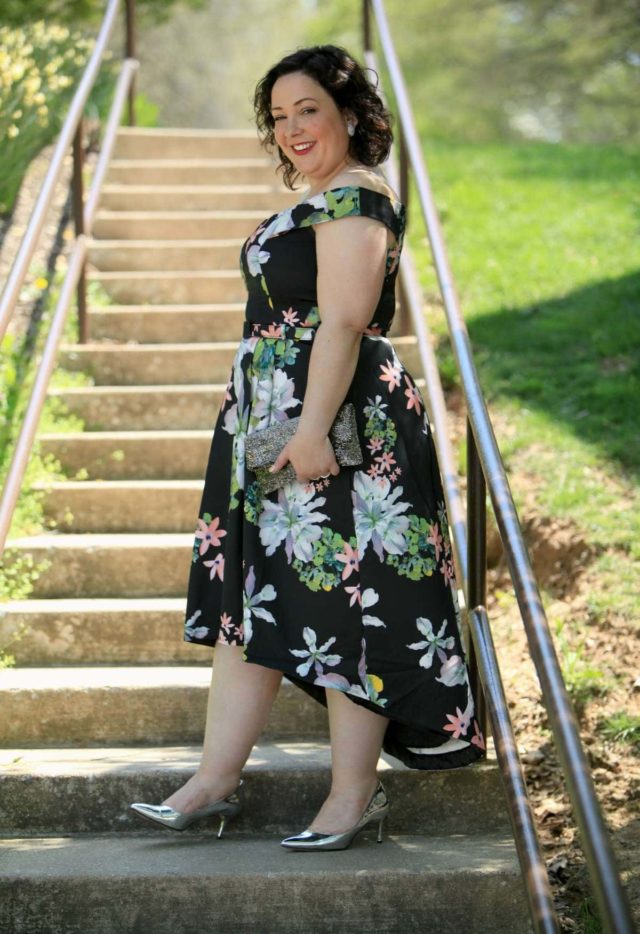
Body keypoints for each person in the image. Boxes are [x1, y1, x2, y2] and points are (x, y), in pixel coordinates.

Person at [130, 44, 484, 851]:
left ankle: (350, 799)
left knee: (347, 607)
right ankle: (214, 781)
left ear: (350, 115)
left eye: (308, 110)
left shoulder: (357, 196)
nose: (291, 128)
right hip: (274, 422)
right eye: (279, 116)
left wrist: (314, 428)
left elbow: (347, 320)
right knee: (253, 600)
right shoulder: (317, 198)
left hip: (339, 425)